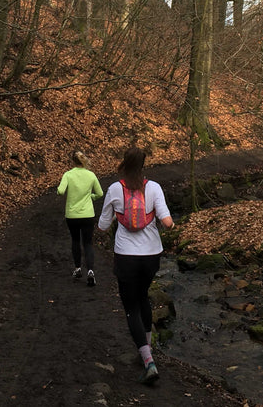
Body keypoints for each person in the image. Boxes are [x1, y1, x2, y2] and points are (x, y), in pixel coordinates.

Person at [97, 147, 174, 385]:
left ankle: (148, 360)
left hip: (126, 256)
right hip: (151, 255)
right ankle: (148, 348)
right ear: (143, 165)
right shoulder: (153, 187)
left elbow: (102, 226)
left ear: (123, 164)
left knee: (131, 306)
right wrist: (165, 223)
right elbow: (167, 222)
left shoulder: (114, 189)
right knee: (143, 298)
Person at [57, 150, 103, 286]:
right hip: (88, 214)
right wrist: (91, 197)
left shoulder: (68, 175)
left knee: (75, 240)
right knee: (88, 243)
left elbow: (60, 191)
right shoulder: (91, 175)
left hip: (72, 214)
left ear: (72, 162)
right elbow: (99, 193)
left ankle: (77, 269)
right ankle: (90, 271)